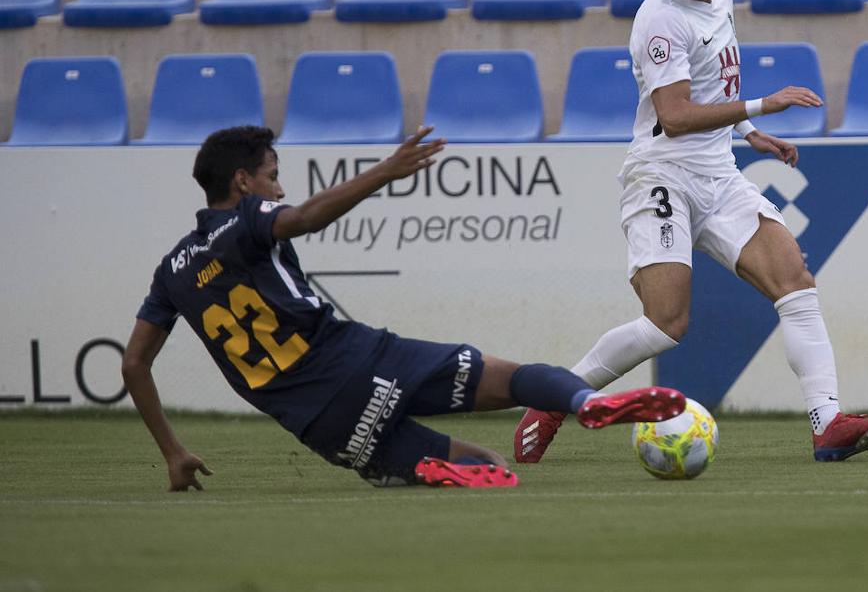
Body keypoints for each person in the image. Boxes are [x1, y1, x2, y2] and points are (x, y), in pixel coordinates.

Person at [513, 0, 868, 464]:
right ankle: (551, 400)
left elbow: (713, 89)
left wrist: (747, 135)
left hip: (718, 174)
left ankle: (828, 425)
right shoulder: (660, 20)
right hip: (661, 176)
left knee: (795, 281)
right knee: (667, 325)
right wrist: (763, 107)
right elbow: (673, 116)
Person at [122, 125, 687, 491]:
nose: (278, 186)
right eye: (272, 176)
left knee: (492, 472)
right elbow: (303, 218)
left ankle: (418, 466)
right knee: (518, 380)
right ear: (242, 181)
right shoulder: (246, 221)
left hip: (319, 423)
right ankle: (585, 401)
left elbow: (133, 366)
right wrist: (384, 173)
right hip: (358, 360)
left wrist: (173, 451)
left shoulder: (171, 272)